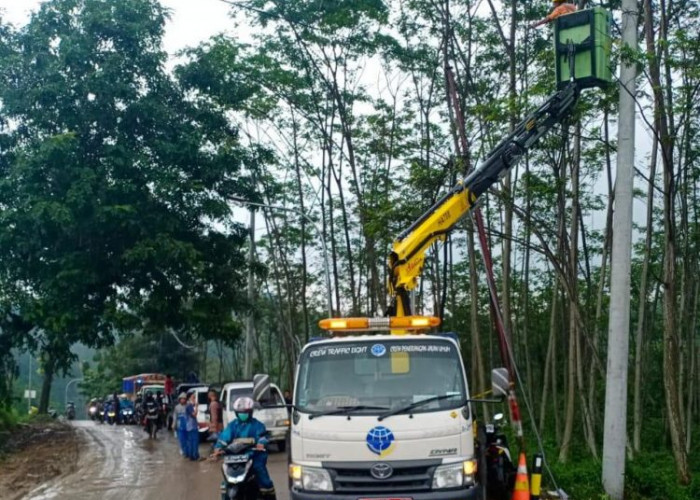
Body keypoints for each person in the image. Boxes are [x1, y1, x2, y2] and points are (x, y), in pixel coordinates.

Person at [212, 397, 276, 499]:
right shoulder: (233, 425)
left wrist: (261, 443)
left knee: (264, 481)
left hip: (253, 458)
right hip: (234, 459)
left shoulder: (257, 425)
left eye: (245, 412)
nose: (243, 414)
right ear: (236, 413)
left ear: (250, 412)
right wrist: (218, 448)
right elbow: (224, 438)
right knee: (225, 483)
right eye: (240, 412)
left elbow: (263, 437)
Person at [185, 391, 201, 460]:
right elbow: (194, 415)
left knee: (192, 442)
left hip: (191, 426)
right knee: (194, 441)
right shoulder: (189, 405)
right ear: (189, 398)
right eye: (193, 397)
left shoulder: (189, 405)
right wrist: (197, 407)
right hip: (191, 427)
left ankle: (192, 456)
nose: (194, 398)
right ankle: (195, 456)